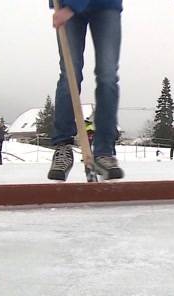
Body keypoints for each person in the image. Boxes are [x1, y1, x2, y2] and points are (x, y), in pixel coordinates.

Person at [47, 0, 124, 181]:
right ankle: (63, 146)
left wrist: (73, 6)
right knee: (70, 74)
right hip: (66, 6)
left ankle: (103, 152)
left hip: (105, 5)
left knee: (107, 77)